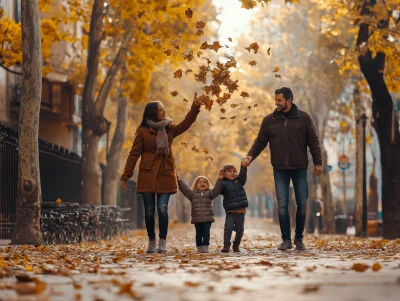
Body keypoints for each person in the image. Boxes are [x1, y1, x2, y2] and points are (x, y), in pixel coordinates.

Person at [120, 93, 204, 253]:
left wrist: (195, 107)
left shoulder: (169, 128)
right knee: (150, 212)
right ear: (153, 113)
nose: (164, 111)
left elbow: (186, 124)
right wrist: (126, 175)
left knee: (162, 208)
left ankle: (163, 242)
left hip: (165, 173)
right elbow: (133, 154)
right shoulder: (143, 132)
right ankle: (152, 241)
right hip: (148, 175)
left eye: (163, 109)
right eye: (160, 110)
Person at [244, 87, 322, 251]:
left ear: (289, 100)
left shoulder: (304, 118)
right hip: (279, 169)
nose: (276, 103)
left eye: (279, 100)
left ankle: (298, 239)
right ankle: (286, 240)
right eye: (275, 100)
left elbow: (313, 142)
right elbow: (260, 142)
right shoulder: (269, 120)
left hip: (300, 168)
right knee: (282, 205)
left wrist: (318, 163)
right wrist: (250, 156)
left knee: (302, 204)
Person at [177, 172, 223, 253]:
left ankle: (205, 246)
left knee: (206, 232)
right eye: (200, 182)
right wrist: (179, 181)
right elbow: (185, 190)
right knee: (198, 233)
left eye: (204, 182)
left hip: (207, 218)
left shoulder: (210, 193)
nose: (202, 183)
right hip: (197, 217)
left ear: (207, 184)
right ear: (196, 184)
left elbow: (217, 189)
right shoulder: (192, 194)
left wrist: (220, 179)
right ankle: (199, 246)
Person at [220, 159, 249, 253]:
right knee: (228, 229)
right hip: (230, 211)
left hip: (241, 210)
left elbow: (243, 175)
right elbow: (218, 190)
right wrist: (220, 178)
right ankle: (226, 246)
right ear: (224, 173)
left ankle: (236, 245)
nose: (232, 173)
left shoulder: (239, 181)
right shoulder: (223, 184)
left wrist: (243, 166)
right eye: (230, 171)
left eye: (234, 171)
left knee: (240, 230)